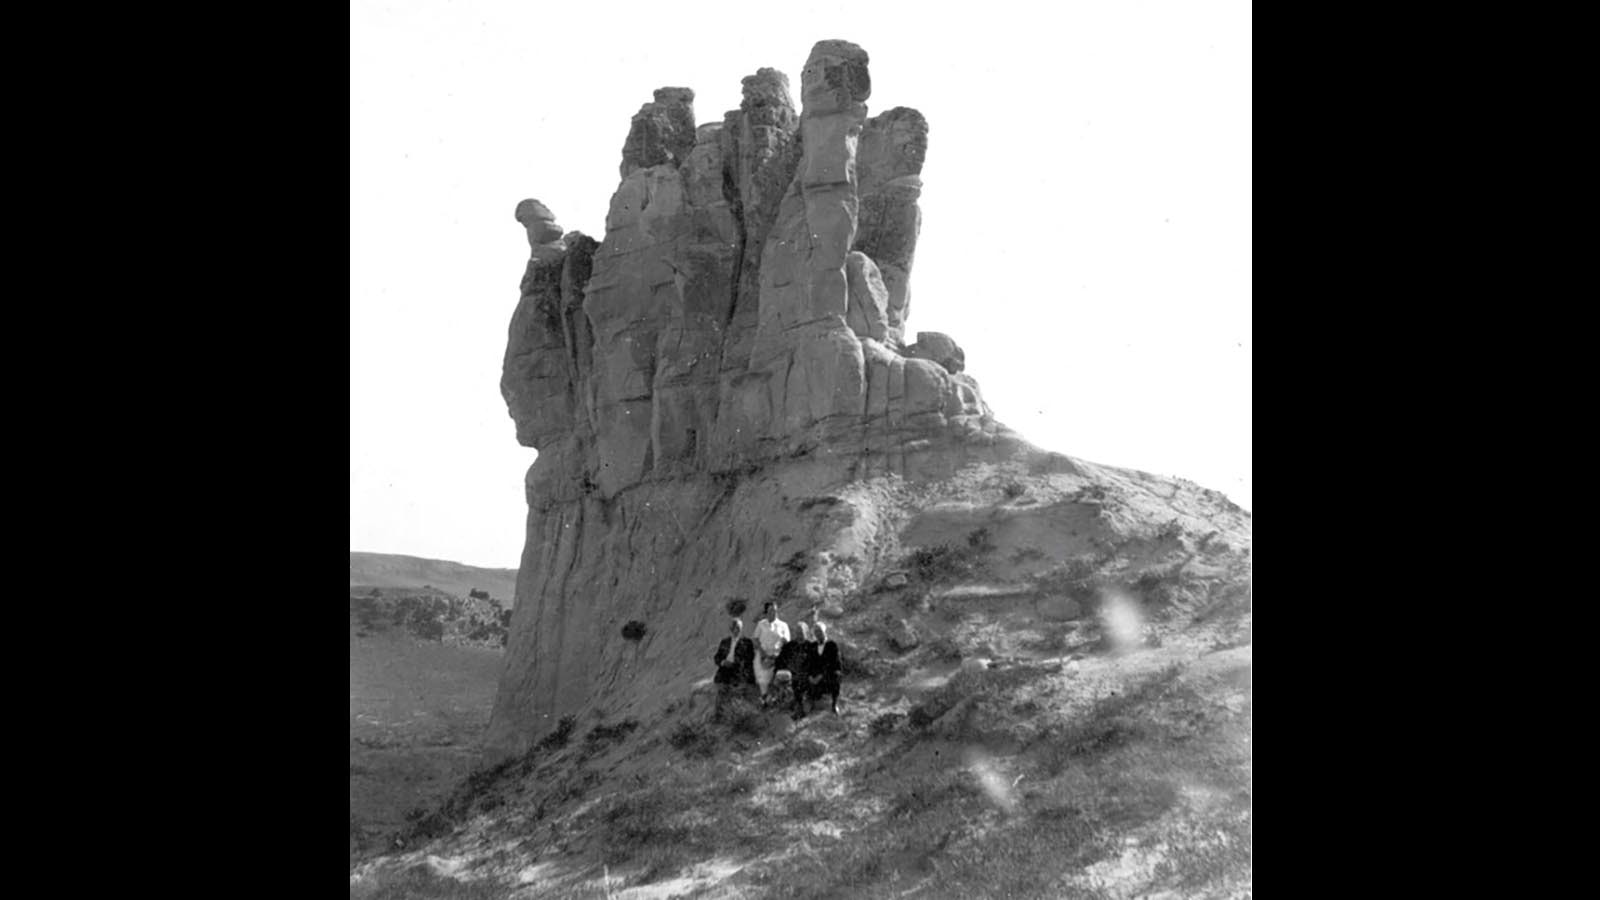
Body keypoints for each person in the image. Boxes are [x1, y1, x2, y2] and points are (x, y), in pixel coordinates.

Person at [712, 618, 756, 720]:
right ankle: (718, 716)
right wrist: (723, 662)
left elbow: (750, 659)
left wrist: (737, 665)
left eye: (739, 628)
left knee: (738, 692)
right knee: (722, 690)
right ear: (731, 629)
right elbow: (717, 657)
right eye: (735, 628)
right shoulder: (725, 642)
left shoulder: (746, 642)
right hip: (725, 670)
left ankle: (739, 717)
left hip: (738, 670)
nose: (737, 630)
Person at [752, 601, 790, 706]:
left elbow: (786, 640)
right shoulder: (761, 624)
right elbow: (755, 639)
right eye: (770, 611)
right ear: (766, 612)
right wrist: (762, 651)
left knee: (776, 674)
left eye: (775, 610)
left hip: (778, 655)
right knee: (762, 673)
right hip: (763, 654)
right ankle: (764, 696)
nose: (773, 613)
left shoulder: (783, 625)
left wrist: (778, 651)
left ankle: (774, 697)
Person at [808, 622, 843, 715]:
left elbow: (835, 663)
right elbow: (810, 663)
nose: (818, 634)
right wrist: (810, 676)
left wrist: (822, 675)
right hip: (816, 676)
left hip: (828, 675)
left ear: (824, 632)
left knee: (837, 675)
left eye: (820, 631)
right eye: (816, 632)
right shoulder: (813, 646)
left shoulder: (832, 645)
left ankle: (834, 704)